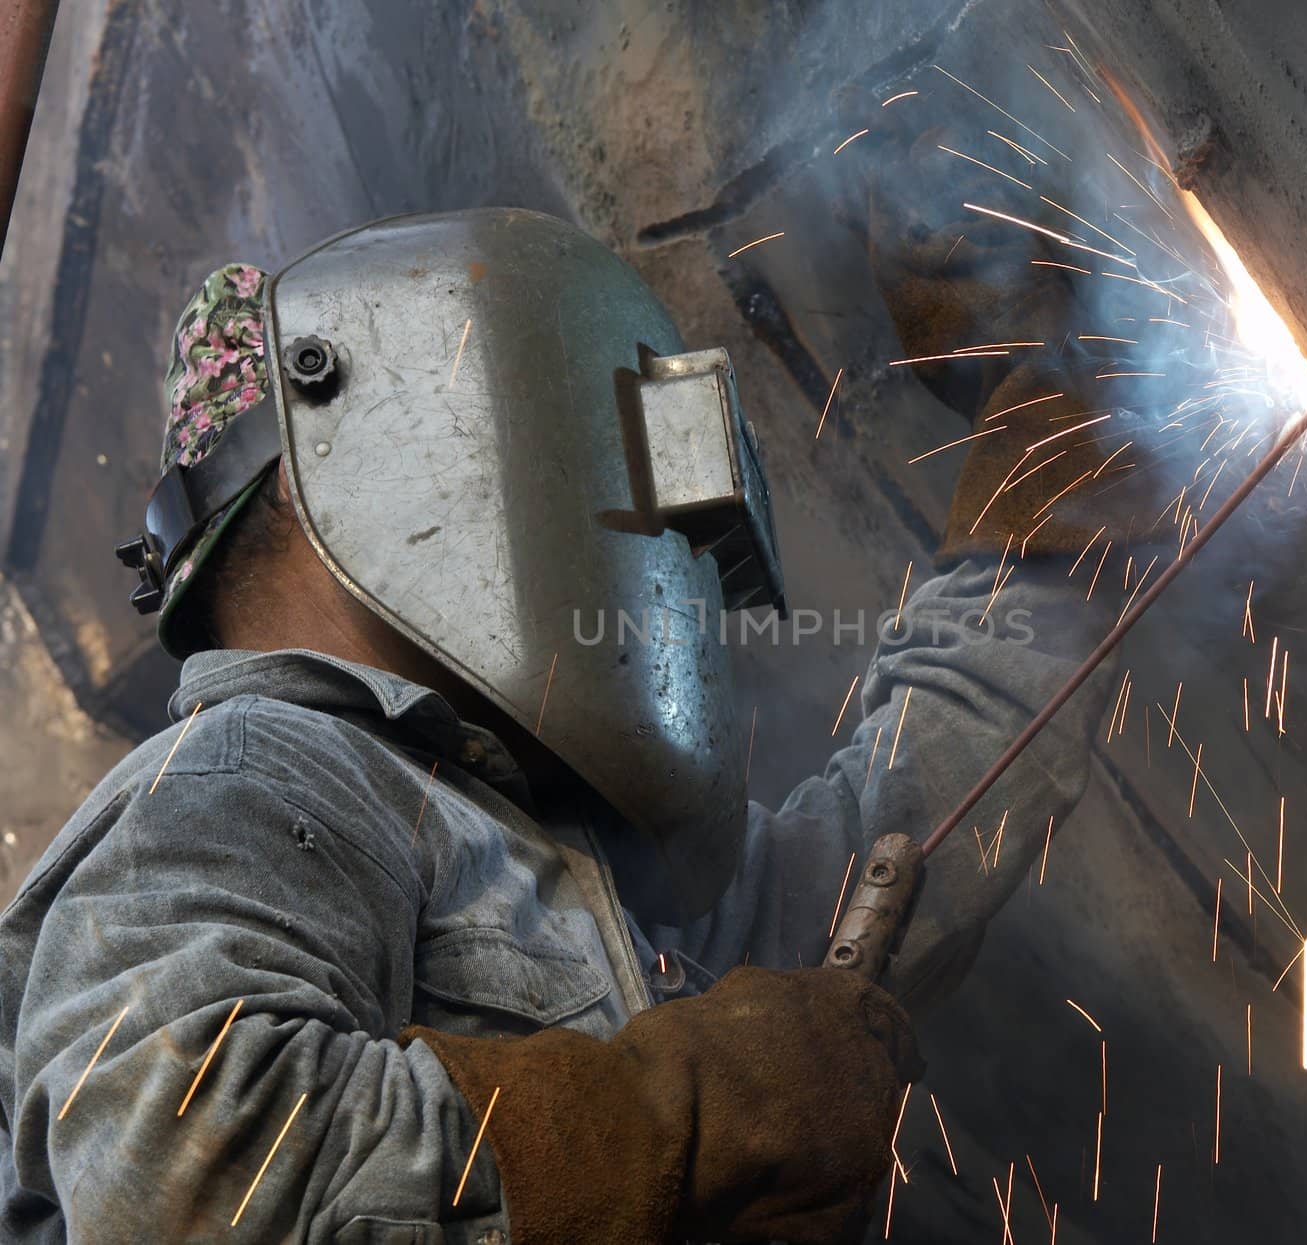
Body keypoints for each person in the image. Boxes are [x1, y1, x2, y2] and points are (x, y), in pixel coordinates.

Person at [0, 208, 1145, 1243]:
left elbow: (879, 870)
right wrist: (699, 1114)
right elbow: (190, 1181)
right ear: (337, 468)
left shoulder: (563, 854)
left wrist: (1050, 526)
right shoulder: (254, 772)